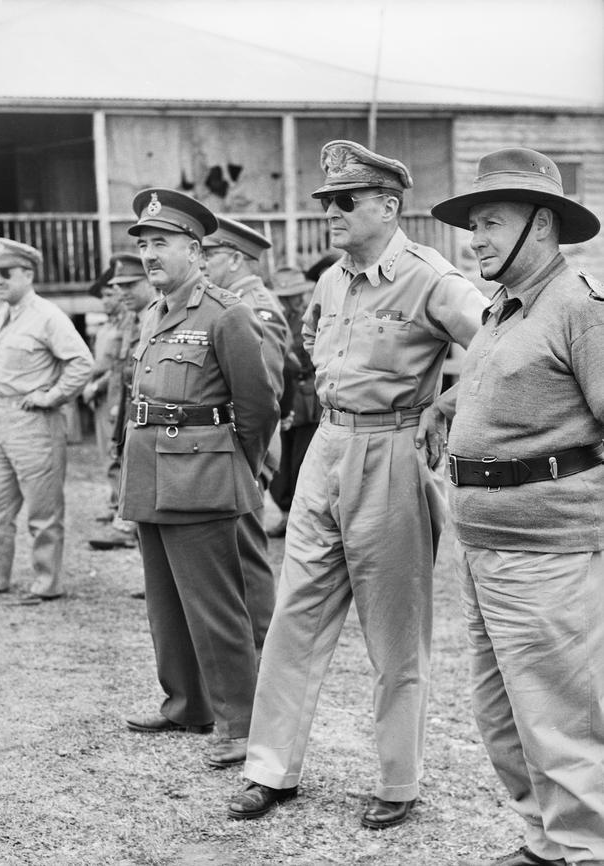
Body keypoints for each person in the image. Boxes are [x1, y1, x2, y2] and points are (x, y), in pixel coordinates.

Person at [227, 139, 487, 826]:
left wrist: (448, 403)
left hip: (392, 453)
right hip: (328, 448)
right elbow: (314, 344)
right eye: (327, 203)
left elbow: (499, 343)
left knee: (395, 633)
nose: (331, 214)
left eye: (344, 202)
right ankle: (270, 770)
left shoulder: (431, 277)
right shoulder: (332, 279)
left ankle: (398, 781)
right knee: (294, 616)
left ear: (389, 206)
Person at [431, 148, 604, 866]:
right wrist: (447, 406)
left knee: (560, 719)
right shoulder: (504, 307)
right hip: (484, 545)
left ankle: (588, 848)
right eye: (474, 222)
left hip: (547, 553)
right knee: (501, 717)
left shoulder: (577, 308)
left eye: (492, 221)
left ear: (543, 225)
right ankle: (544, 844)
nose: (476, 238)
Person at [119, 189, 279, 768]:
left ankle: (241, 721)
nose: (149, 255)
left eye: (161, 243)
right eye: (143, 245)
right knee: (165, 601)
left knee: (215, 607)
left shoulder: (226, 313)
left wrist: (235, 463)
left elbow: (258, 408)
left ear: (195, 250)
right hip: (150, 473)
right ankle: (186, 703)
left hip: (202, 476)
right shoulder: (152, 313)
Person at [0, 238, 93, 603]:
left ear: (28, 274)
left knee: (43, 510)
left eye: (6, 274)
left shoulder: (48, 316)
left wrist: (51, 396)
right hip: (1, 424)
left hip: (34, 423)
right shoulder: (7, 313)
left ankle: (46, 584)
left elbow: (81, 362)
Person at [202, 216, 291, 652]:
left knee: (246, 549)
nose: (201, 263)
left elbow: (265, 390)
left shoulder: (256, 307)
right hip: (229, 445)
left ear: (235, 258)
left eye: (210, 255)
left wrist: (250, 455)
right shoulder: (228, 303)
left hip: (247, 444)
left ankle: (261, 640)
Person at [88, 253, 157, 552]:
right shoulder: (135, 319)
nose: (122, 293)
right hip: (126, 403)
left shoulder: (155, 316)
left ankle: (127, 524)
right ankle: (127, 522)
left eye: (130, 285)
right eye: (119, 287)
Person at [267, 266, 320, 538]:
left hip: (308, 398)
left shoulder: (315, 317)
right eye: (289, 296)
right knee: (280, 458)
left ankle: (301, 519)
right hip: (283, 395)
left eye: (298, 294)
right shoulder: (274, 320)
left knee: (303, 459)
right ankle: (286, 513)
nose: (296, 300)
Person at [82, 271, 129, 523]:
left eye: (110, 295)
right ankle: (114, 503)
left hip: (114, 395)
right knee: (106, 454)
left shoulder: (126, 326)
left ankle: (124, 513)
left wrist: (97, 386)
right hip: (101, 397)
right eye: (103, 296)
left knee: (116, 454)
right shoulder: (106, 326)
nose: (106, 301)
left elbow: (119, 366)